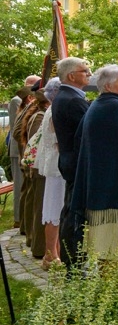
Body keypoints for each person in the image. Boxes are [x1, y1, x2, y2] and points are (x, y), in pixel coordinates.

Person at [70, 65, 118, 261]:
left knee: (105, 245)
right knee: (111, 244)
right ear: (109, 85)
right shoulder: (116, 109)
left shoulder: (96, 106)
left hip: (98, 185)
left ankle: (109, 282)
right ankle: (109, 283)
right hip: (115, 190)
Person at [52, 57, 92, 268]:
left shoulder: (66, 96)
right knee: (75, 214)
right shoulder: (72, 100)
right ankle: (74, 262)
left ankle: (73, 259)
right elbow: (88, 131)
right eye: (85, 71)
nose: (89, 74)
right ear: (71, 76)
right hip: (77, 163)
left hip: (70, 161)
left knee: (71, 211)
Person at [35, 78, 63, 269]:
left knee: (54, 211)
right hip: (57, 167)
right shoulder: (55, 111)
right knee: (54, 212)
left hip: (53, 165)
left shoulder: (50, 110)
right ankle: (51, 255)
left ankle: (54, 252)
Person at [20, 81, 50, 261]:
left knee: (38, 205)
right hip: (39, 168)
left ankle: (35, 241)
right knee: (40, 208)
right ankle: (39, 246)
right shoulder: (39, 116)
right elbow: (36, 144)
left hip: (38, 167)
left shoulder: (39, 114)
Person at [8, 75, 40, 231]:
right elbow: (17, 127)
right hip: (19, 148)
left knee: (24, 186)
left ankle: (22, 219)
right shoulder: (16, 101)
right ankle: (18, 219)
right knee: (20, 185)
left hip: (25, 148)